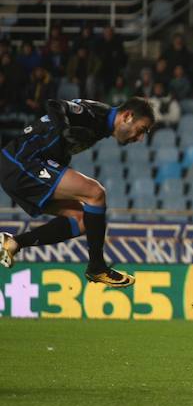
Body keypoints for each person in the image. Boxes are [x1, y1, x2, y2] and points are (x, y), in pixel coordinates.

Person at [0, 97, 156, 287]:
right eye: (141, 130)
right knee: (95, 193)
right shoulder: (94, 113)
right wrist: (64, 129)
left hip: (24, 167)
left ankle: (14, 243)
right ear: (128, 116)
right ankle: (97, 267)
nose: (139, 138)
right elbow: (54, 104)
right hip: (21, 161)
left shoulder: (102, 127)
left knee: (82, 220)